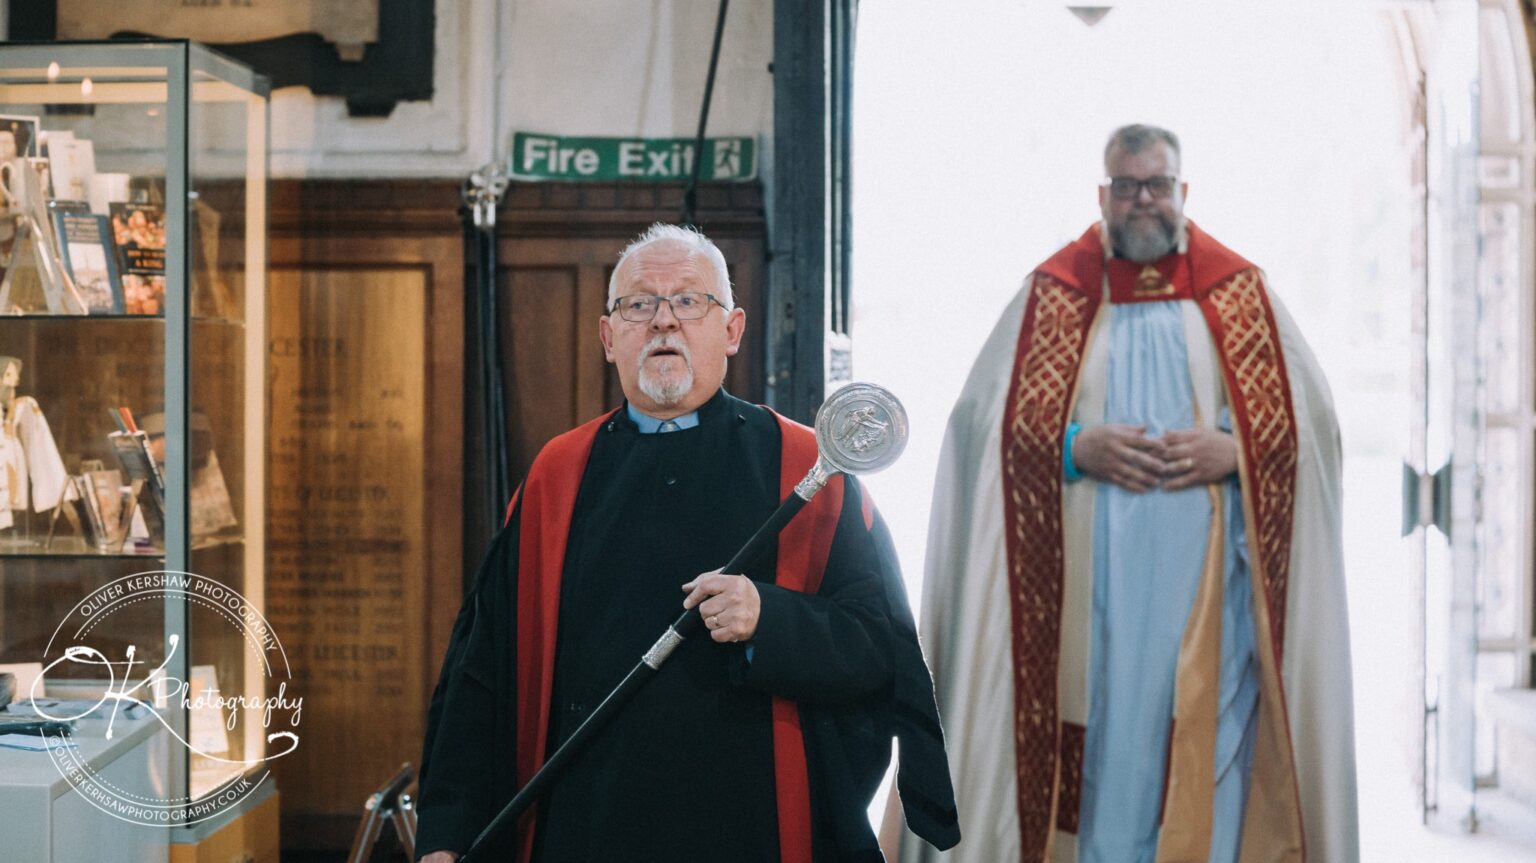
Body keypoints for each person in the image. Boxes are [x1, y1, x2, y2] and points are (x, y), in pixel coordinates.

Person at [416, 223, 960, 862]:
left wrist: (770, 619)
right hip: (587, 826)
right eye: (639, 304)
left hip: (750, 828)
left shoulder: (807, 470)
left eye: (688, 300)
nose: (663, 321)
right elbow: (481, 673)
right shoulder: (555, 478)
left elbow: (881, 650)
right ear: (608, 338)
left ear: (731, 330)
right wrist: (445, 836)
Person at [889, 125, 1357, 862]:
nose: (1144, 200)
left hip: (1208, 603)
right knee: (1099, 761)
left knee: (1202, 751)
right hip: (1088, 611)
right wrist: (1074, 448)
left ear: (1183, 191)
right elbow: (978, 432)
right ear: (1102, 195)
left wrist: (1237, 453)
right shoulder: (1054, 294)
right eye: (1128, 186)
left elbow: (1311, 437)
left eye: (1157, 185)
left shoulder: (1239, 295)